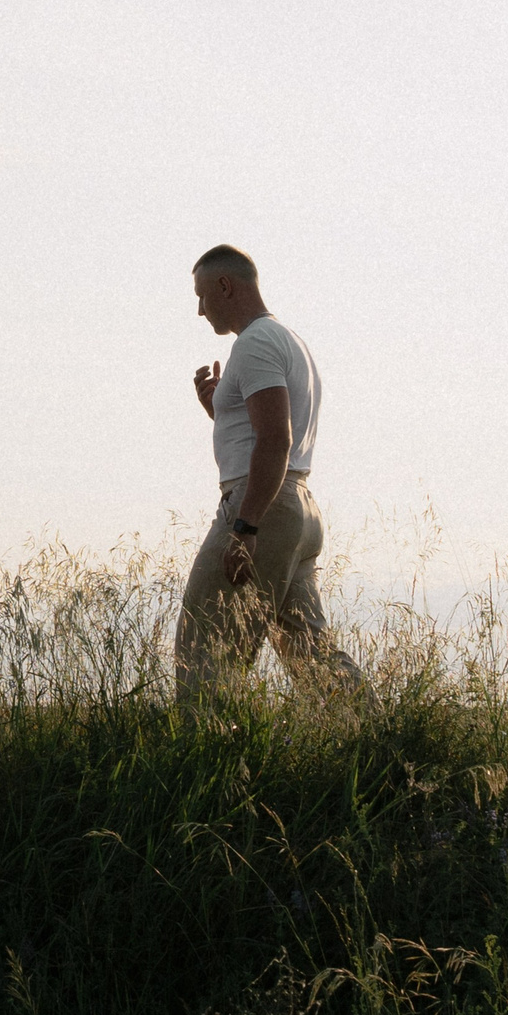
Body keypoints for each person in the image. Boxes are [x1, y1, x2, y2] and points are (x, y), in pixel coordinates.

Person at [177, 247, 364, 700]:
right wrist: (220, 409)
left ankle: (205, 744)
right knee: (311, 654)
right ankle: (379, 736)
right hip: (298, 506)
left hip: (264, 507)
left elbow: (276, 439)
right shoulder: (287, 340)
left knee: (203, 646)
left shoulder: (255, 343)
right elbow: (265, 432)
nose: (200, 309)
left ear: (226, 286)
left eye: (203, 295)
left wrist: (244, 528)